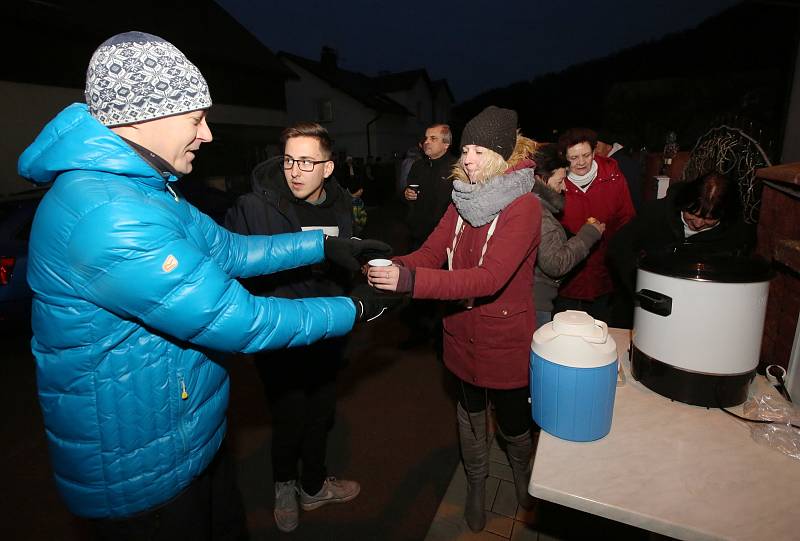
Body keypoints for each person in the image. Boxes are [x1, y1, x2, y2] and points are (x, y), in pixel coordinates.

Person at [17, 31, 394, 540]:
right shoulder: (111, 214)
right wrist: (355, 307)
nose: (208, 134)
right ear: (146, 117)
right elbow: (241, 321)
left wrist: (321, 246)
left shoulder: (144, 187)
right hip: (143, 470)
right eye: (196, 119)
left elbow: (228, 250)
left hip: (184, 435)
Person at [368, 106, 542, 532]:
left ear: (501, 155)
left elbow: (489, 278)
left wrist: (410, 281)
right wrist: (386, 263)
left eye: (478, 151)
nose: (467, 159)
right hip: (461, 333)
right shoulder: (462, 197)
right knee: (469, 416)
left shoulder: (525, 206)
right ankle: (477, 485)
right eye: (465, 149)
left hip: (505, 338)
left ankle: (523, 479)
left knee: (514, 423)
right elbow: (430, 253)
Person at [224, 122, 360, 533]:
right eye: (288, 160)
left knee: (321, 411)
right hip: (279, 333)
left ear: (328, 167)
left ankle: (314, 485)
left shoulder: (341, 205)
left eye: (306, 161)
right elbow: (228, 263)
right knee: (288, 414)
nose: (295, 170)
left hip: (328, 329)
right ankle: (284, 485)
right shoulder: (253, 205)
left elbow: (345, 265)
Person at [607, 170, 755, 326]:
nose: (698, 223)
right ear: (684, 203)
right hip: (639, 309)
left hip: (694, 318)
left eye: (709, 218)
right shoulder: (656, 213)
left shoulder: (734, 238)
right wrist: (636, 286)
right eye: (693, 213)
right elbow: (619, 247)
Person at [554, 127, 635, 324]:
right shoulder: (556, 183)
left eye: (586, 155)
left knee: (599, 331)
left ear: (595, 151)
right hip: (566, 278)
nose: (581, 162)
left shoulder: (613, 178)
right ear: (564, 158)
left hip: (603, 275)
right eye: (573, 158)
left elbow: (627, 219)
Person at [530, 144, 605, 327]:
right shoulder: (539, 212)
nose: (564, 187)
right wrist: (588, 234)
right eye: (560, 181)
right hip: (536, 305)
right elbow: (555, 264)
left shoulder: (534, 204)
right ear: (541, 179)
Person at [403, 124, 457, 250]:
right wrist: (406, 194)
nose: (427, 142)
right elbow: (408, 191)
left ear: (446, 144)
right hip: (417, 234)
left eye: (433, 138)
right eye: (426, 138)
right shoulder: (418, 166)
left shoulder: (457, 168)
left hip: (445, 237)